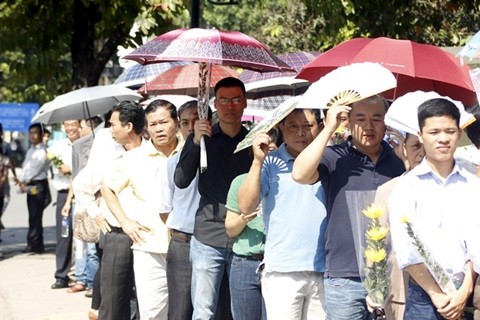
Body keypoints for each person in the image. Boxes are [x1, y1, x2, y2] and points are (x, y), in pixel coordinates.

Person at [291, 95, 405, 319]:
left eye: (377, 119)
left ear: (386, 122)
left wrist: (406, 159)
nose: (368, 126)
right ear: (348, 121)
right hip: (345, 275)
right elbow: (299, 174)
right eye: (360, 119)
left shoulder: (398, 159)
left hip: (392, 274)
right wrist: (328, 129)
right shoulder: (336, 156)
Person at [389, 98, 479, 320]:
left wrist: (464, 290)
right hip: (425, 299)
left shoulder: (472, 185)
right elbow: (406, 248)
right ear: (420, 135)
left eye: (449, 131)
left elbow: (477, 243)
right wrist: (437, 295)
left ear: (459, 133)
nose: (443, 139)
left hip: (465, 294)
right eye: (434, 132)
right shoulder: (407, 187)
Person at [174, 77, 253, 320]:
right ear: (215, 104)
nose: (230, 106)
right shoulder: (203, 139)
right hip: (209, 235)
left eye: (236, 99)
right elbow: (181, 179)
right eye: (224, 100)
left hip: (246, 238)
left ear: (245, 103)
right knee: (204, 311)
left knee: (243, 311)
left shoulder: (253, 141)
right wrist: (196, 141)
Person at [238, 108, 327, 319]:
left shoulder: (330, 160)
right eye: (293, 126)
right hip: (283, 271)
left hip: (325, 269)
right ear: (281, 128)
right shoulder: (270, 162)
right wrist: (257, 161)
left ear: (320, 127)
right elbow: (246, 207)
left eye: (308, 126)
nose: (300, 132)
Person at [102, 99, 181, 319]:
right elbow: (107, 188)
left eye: (163, 122)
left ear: (175, 121)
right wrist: (125, 222)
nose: (159, 128)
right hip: (149, 247)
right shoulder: (133, 158)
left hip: (187, 247)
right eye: (153, 124)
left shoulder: (190, 152)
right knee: (153, 313)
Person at [95, 101, 145, 320]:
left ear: (129, 127)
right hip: (119, 235)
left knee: (145, 301)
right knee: (114, 303)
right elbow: (85, 184)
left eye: (113, 124)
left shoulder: (153, 153)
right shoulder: (107, 152)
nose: (110, 129)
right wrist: (96, 212)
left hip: (148, 236)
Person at [159, 100, 201, 320]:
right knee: (180, 310)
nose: (191, 127)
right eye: (185, 123)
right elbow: (165, 209)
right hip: (183, 243)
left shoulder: (219, 158)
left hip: (213, 242)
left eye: (196, 121)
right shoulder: (172, 163)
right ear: (179, 127)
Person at [62, 116, 103, 296]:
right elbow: (76, 181)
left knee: (92, 246)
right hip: (80, 202)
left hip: (94, 203)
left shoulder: (99, 148)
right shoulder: (78, 148)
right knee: (80, 243)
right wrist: (68, 202)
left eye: (83, 126)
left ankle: (93, 284)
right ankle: (81, 277)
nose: (80, 130)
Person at [48, 119, 81, 289]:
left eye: (73, 125)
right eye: (67, 125)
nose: (70, 128)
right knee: (63, 235)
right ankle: (62, 275)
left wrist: (73, 168)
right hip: (64, 195)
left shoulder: (86, 145)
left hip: (81, 193)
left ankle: (80, 275)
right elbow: (57, 170)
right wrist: (65, 168)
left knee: (83, 238)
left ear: (79, 125)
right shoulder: (57, 147)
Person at [15, 123, 51, 254]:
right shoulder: (31, 150)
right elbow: (26, 167)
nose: (32, 136)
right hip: (30, 184)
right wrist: (21, 180)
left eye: (35, 133)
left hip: (38, 185)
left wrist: (24, 181)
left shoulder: (42, 151)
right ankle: (33, 242)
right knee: (32, 215)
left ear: (42, 135)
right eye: (30, 133)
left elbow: (35, 170)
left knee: (36, 215)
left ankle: (35, 244)